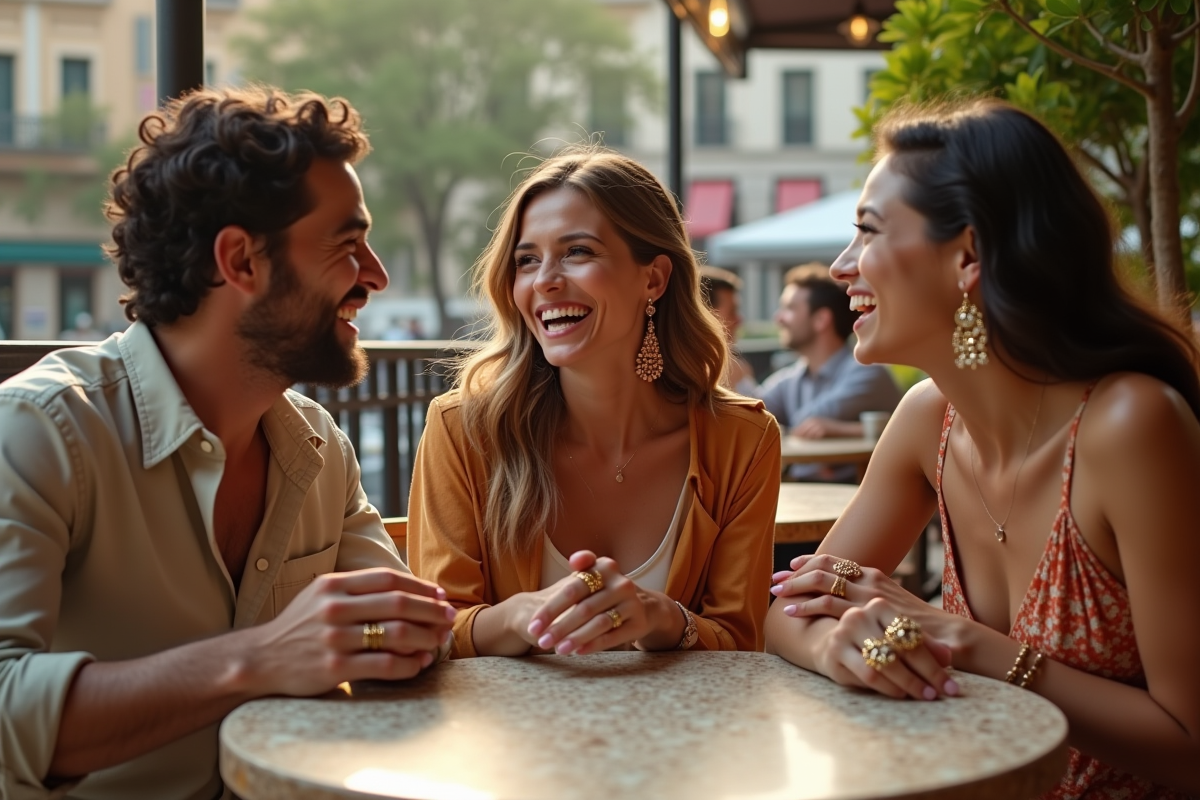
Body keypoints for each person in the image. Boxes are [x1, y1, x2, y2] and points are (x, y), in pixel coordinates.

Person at [0, 87, 455, 800]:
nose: (376, 277)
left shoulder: (318, 447)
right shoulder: (39, 430)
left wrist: (527, 619)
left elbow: (404, 635)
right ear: (241, 260)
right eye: (347, 244)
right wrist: (261, 657)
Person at [765, 100, 1200, 797]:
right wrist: (840, 644)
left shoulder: (1130, 425)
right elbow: (784, 613)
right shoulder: (926, 420)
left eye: (867, 233)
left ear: (967, 256)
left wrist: (967, 644)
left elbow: (1189, 745)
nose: (843, 266)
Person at [407, 147, 780, 658]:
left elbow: (740, 639)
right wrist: (517, 616)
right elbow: (437, 629)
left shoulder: (743, 441)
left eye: (577, 252)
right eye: (526, 260)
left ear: (653, 278)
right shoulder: (463, 430)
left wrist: (663, 618)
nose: (544, 281)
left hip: (685, 734)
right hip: (508, 735)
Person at [758, 263, 900, 480]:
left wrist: (835, 428)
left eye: (789, 308)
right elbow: (752, 415)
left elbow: (809, 420)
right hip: (808, 492)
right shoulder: (793, 376)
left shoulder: (867, 373)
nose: (779, 318)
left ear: (821, 320)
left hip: (858, 497)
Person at [699, 265, 757, 395]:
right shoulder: (692, 374)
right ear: (705, 315)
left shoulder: (737, 365)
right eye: (732, 311)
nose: (739, 320)